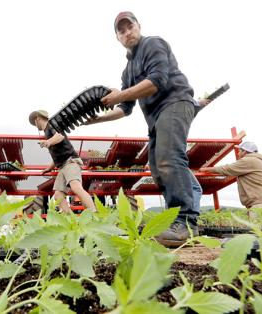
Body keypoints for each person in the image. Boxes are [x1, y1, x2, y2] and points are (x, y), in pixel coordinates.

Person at [86, 12, 210, 246]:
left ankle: (185, 222)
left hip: (175, 102)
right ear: (117, 38)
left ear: (138, 26)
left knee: (168, 158)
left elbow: (158, 80)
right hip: (155, 117)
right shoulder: (128, 71)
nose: (127, 32)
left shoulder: (153, 44)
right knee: (157, 166)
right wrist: (96, 120)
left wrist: (119, 95)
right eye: (121, 31)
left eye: (130, 26)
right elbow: (125, 108)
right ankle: (176, 219)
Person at [29, 110, 96, 213]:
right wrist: (49, 168)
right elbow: (56, 155)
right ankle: (70, 220)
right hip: (62, 166)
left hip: (70, 161)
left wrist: (48, 142)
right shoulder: (47, 132)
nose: (35, 125)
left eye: (34, 123)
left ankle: (94, 214)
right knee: (58, 195)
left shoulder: (52, 124)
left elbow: (60, 136)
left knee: (76, 186)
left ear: (37, 118)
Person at [199, 141, 262, 210]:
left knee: (260, 228)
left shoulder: (248, 160)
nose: (238, 153)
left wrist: (206, 169)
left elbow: (227, 169)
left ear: (244, 152)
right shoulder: (258, 162)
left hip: (261, 204)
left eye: (239, 151)